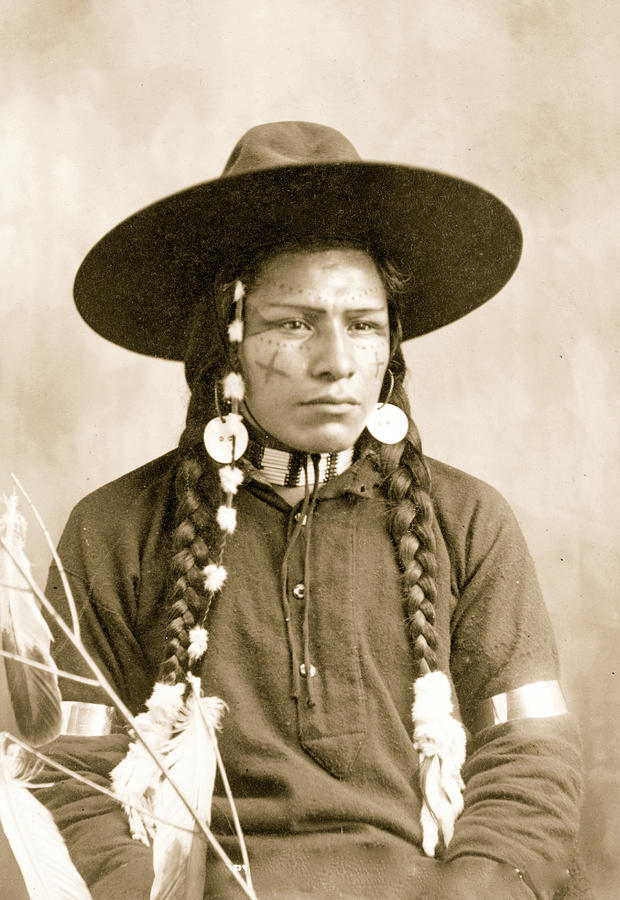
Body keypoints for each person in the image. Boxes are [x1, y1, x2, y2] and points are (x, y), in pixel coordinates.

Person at [39, 122, 582, 899]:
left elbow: (528, 754)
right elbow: (71, 770)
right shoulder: (116, 530)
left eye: (362, 325)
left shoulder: (467, 520)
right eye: (293, 324)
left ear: (390, 345)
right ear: (226, 344)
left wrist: (479, 888)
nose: (336, 362)